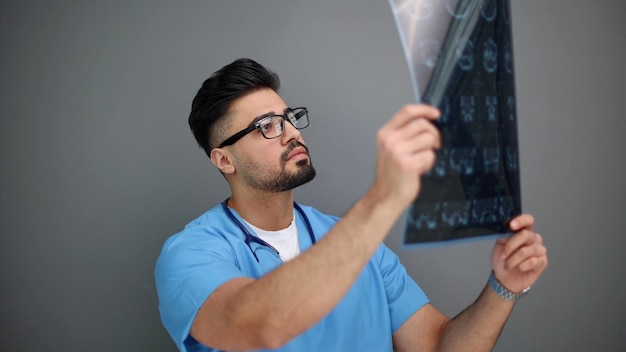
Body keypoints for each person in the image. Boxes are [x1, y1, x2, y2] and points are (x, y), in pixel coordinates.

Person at [154, 58, 548, 352]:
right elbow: (262, 324)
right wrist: (385, 197)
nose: (291, 132)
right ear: (224, 160)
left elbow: (438, 346)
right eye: (266, 126)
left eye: (288, 117)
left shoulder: (360, 247)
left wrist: (503, 287)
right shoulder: (191, 254)